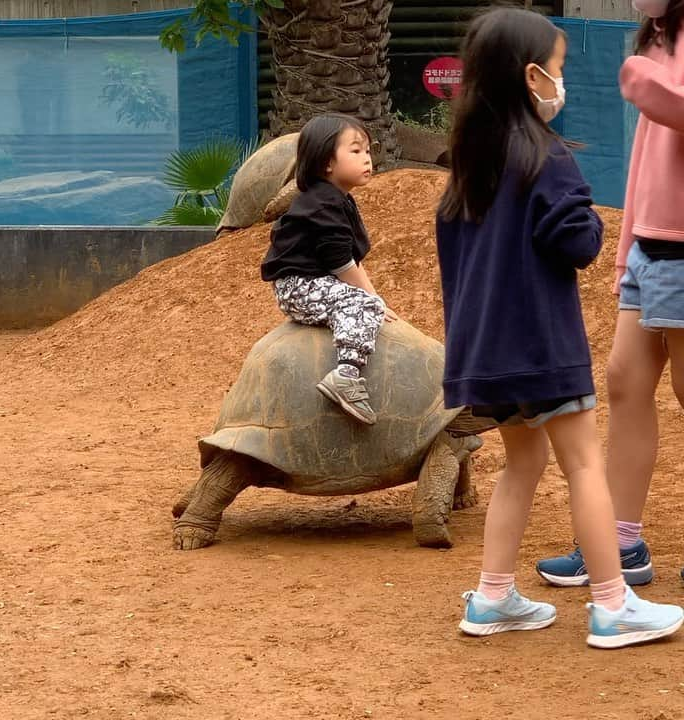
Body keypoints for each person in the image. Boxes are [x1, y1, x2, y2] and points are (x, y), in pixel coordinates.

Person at [436, 7, 683, 648]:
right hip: (545, 349)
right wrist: (595, 224)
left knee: (523, 465)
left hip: (485, 356)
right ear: (532, 77)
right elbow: (577, 241)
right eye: (561, 68)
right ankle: (612, 605)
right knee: (583, 466)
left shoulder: (467, 165)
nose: (561, 81)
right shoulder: (546, 159)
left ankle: (492, 598)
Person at [536, 0, 684, 586]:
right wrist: (628, 253)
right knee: (625, 384)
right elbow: (649, 163)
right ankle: (622, 542)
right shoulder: (658, 38)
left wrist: (649, 84)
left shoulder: (652, 61)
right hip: (650, 247)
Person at [261, 113, 397, 425]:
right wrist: (374, 299)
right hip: (299, 286)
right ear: (326, 163)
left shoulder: (337, 200)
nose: (367, 159)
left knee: (367, 301)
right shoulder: (323, 203)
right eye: (355, 151)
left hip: (313, 281)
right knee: (363, 303)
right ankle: (346, 374)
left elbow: (349, 258)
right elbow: (341, 264)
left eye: (367, 151)